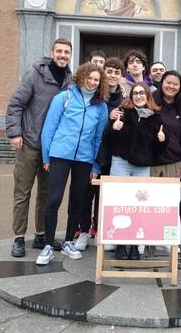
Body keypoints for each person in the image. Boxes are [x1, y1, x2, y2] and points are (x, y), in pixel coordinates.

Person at [35, 63, 109, 265]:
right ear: (82, 76)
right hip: (60, 154)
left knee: (77, 201)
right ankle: (49, 245)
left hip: (84, 159)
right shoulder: (63, 98)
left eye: (97, 80)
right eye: (90, 78)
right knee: (54, 199)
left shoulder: (101, 106)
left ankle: (68, 241)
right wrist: (46, 157)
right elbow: (49, 128)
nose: (93, 82)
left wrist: (95, 165)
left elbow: (98, 138)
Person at [5, 38, 72, 258]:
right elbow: (16, 104)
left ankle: (41, 235)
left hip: (52, 148)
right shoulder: (35, 75)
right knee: (22, 192)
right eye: (59, 51)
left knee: (46, 193)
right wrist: (15, 133)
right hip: (30, 143)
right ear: (52, 52)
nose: (63, 55)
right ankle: (18, 238)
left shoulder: (70, 80)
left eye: (67, 52)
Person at [105, 82, 168, 260]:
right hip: (121, 163)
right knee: (119, 203)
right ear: (131, 95)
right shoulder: (123, 112)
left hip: (142, 167)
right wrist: (112, 128)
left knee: (139, 206)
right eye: (136, 93)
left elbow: (159, 149)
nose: (139, 96)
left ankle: (133, 244)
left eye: (142, 93)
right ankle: (119, 244)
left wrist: (162, 140)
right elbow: (107, 141)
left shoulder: (156, 117)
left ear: (148, 96)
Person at [83, 57, 127, 241]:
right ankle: (82, 229)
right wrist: (108, 117)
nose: (112, 75)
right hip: (91, 151)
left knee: (105, 194)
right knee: (86, 193)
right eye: (109, 71)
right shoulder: (95, 96)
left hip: (112, 154)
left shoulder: (124, 98)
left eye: (117, 72)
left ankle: (99, 225)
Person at [152, 70, 181, 245]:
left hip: (173, 162)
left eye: (176, 84)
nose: (171, 86)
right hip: (150, 161)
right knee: (150, 202)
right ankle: (149, 237)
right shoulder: (150, 100)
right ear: (162, 83)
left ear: (180, 87)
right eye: (168, 82)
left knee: (170, 204)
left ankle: (167, 240)